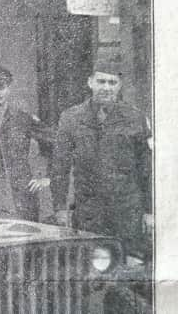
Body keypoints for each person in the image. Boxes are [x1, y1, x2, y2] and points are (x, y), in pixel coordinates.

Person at [50, 59, 152, 257]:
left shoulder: (135, 118)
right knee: (90, 266)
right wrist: (60, 208)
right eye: (101, 82)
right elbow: (59, 166)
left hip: (126, 213)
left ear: (119, 85)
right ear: (90, 82)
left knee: (129, 265)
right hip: (89, 213)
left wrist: (149, 211)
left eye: (112, 83)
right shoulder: (71, 118)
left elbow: (146, 168)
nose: (106, 88)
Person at [0, 64, 53, 222]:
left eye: (1, 87)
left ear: (9, 88)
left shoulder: (24, 119)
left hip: (22, 197)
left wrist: (47, 178)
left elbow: (59, 146)